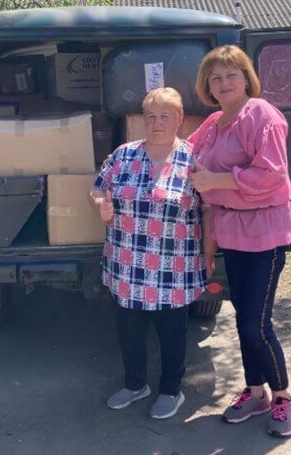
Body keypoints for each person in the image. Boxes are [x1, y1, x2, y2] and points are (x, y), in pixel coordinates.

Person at [187, 45, 291, 438]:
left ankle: (282, 398)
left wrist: (216, 180)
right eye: (215, 78)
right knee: (243, 321)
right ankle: (256, 393)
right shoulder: (214, 121)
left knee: (256, 323)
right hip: (231, 229)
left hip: (264, 231)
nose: (224, 82)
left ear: (246, 78)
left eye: (232, 74)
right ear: (207, 87)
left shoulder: (262, 115)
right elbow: (188, 156)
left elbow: (271, 174)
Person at [90, 87, 207, 420]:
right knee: (130, 331)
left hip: (174, 268)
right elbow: (97, 188)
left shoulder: (194, 159)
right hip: (127, 266)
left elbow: (210, 210)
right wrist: (100, 204)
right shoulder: (123, 154)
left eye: (165, 116)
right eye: (151, 116)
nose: (157, 123)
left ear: (179, 119)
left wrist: (210, 254)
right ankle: (135, 384)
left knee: (172, 334)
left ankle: (172, 390)